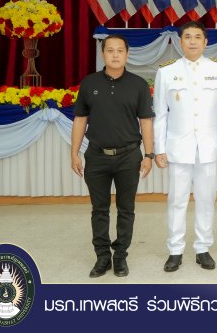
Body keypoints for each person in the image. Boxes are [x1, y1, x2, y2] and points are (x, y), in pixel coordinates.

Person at [70, 34, 155, 278]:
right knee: (99, 209)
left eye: (120, 50)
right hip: (96, 156)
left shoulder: (138, 85)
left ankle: (120, 257)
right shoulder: (89, 83)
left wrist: (148, 155)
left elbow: (146, 122)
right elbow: (80, 119)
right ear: (103, 54)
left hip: (129, 156)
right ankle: (102, 257)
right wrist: (74, 153)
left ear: (127, 54)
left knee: (126, 208)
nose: (115, 55)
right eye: (110, 50)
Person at [153, 21, 217, 272]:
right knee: (176, 200)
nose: (192, 41)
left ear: (205, 41)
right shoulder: (166, 72)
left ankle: (203, 248)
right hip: (178, 147)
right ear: (180, 41)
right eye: (187, 37)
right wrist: (159, 148)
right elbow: (160, 114)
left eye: (197, 37)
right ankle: (175, 250)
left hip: (209, 146)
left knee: (206, 199)